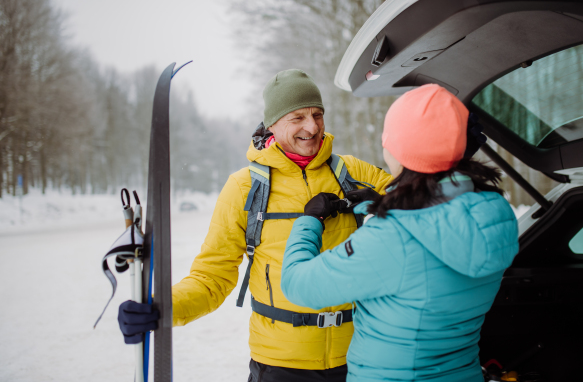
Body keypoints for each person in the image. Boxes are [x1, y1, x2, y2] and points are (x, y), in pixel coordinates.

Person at [118, 69, 392, 381]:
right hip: (279, 365)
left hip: (359, 357)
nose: (312, 126)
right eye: (298, 117)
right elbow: (212, 277)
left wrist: (388, 201)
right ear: (273, 124)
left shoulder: (353, 171)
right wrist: (160, 306)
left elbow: (423, 200)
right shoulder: (245, 187)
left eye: (317, 114)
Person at [280, 84, 519, 382]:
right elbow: (430, 231)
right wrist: (383, 204)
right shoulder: (493, 212)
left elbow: (297, 284)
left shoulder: (390, 238)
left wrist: (309, 221)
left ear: (398, 148)